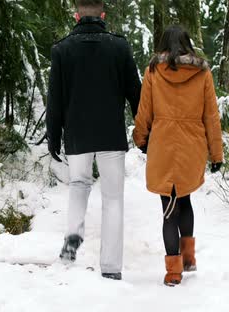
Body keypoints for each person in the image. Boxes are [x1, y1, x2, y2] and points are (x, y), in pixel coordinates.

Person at [46, 0, 141, 280]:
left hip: (77, 133)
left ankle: (73, 234)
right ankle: (111, 268)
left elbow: (55, 99)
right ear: (103, 15)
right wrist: (144, 131)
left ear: (76, 16)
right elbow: (135, 93)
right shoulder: (119, 47)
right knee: (113, 198)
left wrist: (54, 136)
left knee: (79, 184)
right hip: (110, 132)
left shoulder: (62, 49)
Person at [133, 25, 224, 286]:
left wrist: (141, 139)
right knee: (184, 199)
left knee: (167, 207)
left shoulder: (153, 70)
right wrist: (216, 154)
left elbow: (145, 110)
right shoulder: (202, 71)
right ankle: (188, 259)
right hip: (192, 144)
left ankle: (173, 271)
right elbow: (211, 115)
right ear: (188, 44)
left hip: (162, 143)